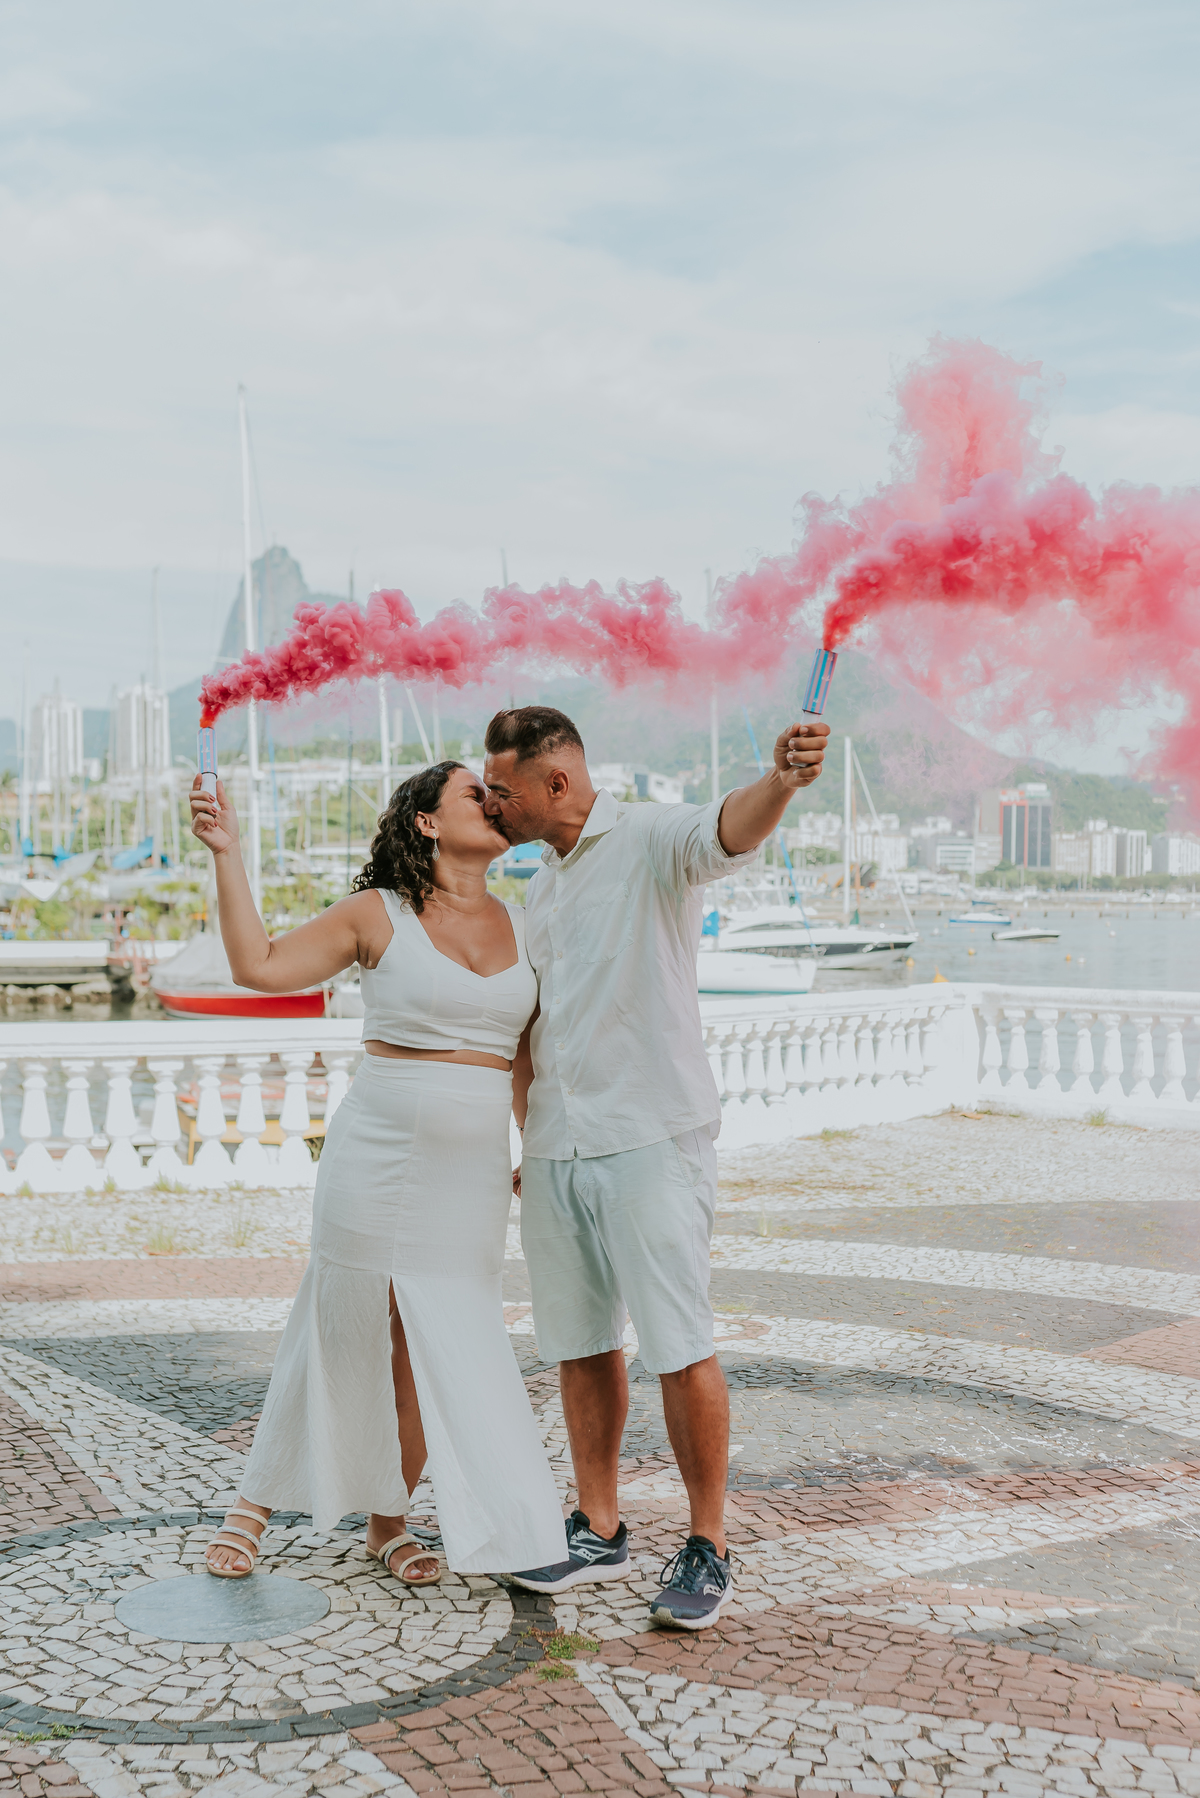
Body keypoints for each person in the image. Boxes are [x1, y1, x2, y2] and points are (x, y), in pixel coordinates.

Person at [481, 705, 828, 1629]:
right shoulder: (539, 890)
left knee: (679, 1343)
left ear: (556, 784)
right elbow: (535, 1030)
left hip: (651, 1139)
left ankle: (709, 1544)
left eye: (503, 790)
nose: (491, 804)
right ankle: (598, 1524)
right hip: (557, 1145)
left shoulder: (647, 836)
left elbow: (729, 827)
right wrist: (528, 1142)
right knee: (580, 1344)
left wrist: (782, 783)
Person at [190, 759, 565, 1585]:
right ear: (427, 821)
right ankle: (252, 1504)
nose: (493, 802)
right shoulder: (378, 913)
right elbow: (258, 966)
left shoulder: (530, 921)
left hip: (468, 1168)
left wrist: (532, 1146)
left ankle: (388, 1519)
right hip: (378, 1148)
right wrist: (226, 850)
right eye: (475, 792)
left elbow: (526, 1063)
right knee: (341, 1318)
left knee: (442, 1332)